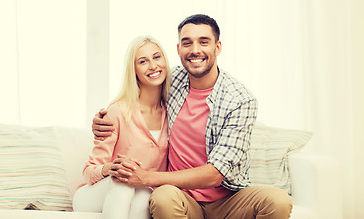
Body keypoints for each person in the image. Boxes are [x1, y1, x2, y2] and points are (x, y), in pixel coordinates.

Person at [93, 14, 293, 219]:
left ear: (218, 47)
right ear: (178, 50)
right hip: (180, 196)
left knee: (278, 201)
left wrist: (145, 178)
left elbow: (215, 174)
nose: (195, 50)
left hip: (228, 199)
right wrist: (103, 118)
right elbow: (138, 91)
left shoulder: (240, 100)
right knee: (163, 197)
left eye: (204, 42)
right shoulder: (172, 80)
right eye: (187, 43)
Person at [73, 35, 171, 219]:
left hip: (141, 191)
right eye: (143, 61)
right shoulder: (117, 112)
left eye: (157, 57)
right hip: (93, 195)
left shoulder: (172, 113)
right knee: (124, 182)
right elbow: (89, 171)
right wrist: (111, 168)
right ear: (133, 70)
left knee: (144, 196)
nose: (152, 66)